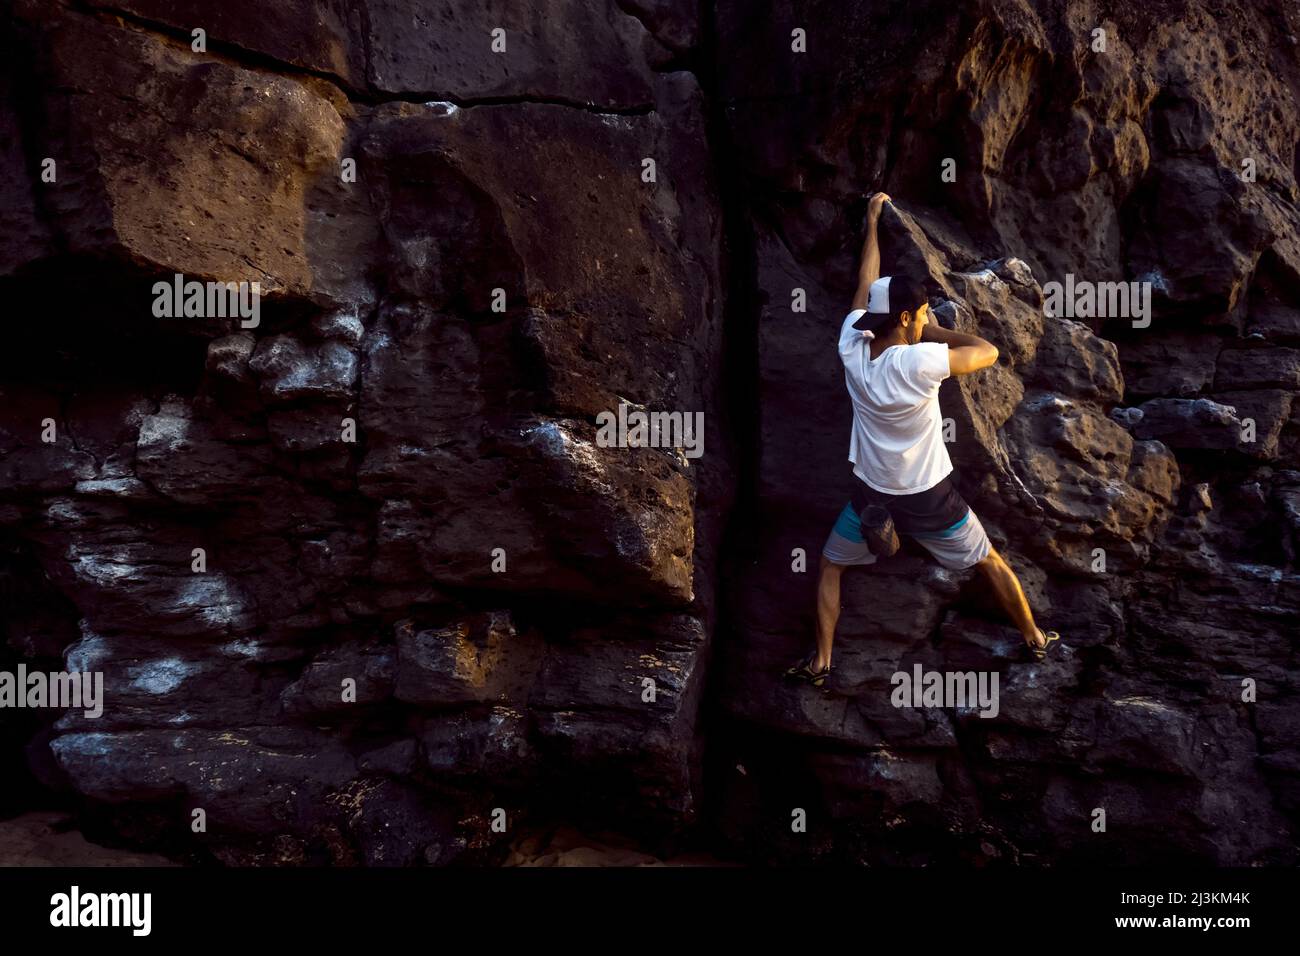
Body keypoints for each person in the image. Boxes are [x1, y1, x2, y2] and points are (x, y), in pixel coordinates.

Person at [785, 192, 1058, 687]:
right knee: (989, 560)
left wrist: (871, 225)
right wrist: (934, 332)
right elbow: (987, 351)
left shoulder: (851, 346)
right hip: (932, 500)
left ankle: (822, 662)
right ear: (910, 318)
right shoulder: (920, 361)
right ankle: (1036, 639)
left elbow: (864, 286)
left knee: (829, 566)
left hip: (873, 496)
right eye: (922, 312)